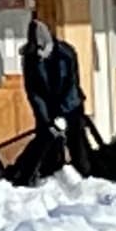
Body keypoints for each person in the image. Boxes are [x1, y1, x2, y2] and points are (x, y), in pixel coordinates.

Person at [15, 14, 88, 179]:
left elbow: (72, 84)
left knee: (77, 143)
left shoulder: (66, 53)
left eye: (42, 49)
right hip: (47, 106)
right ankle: (46, 174)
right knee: (46, 138)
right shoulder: (30, 59)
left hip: (70, 105)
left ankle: (84, 174)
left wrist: (62, 113)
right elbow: (34, 92)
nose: (40, 54)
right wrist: (46, 118)